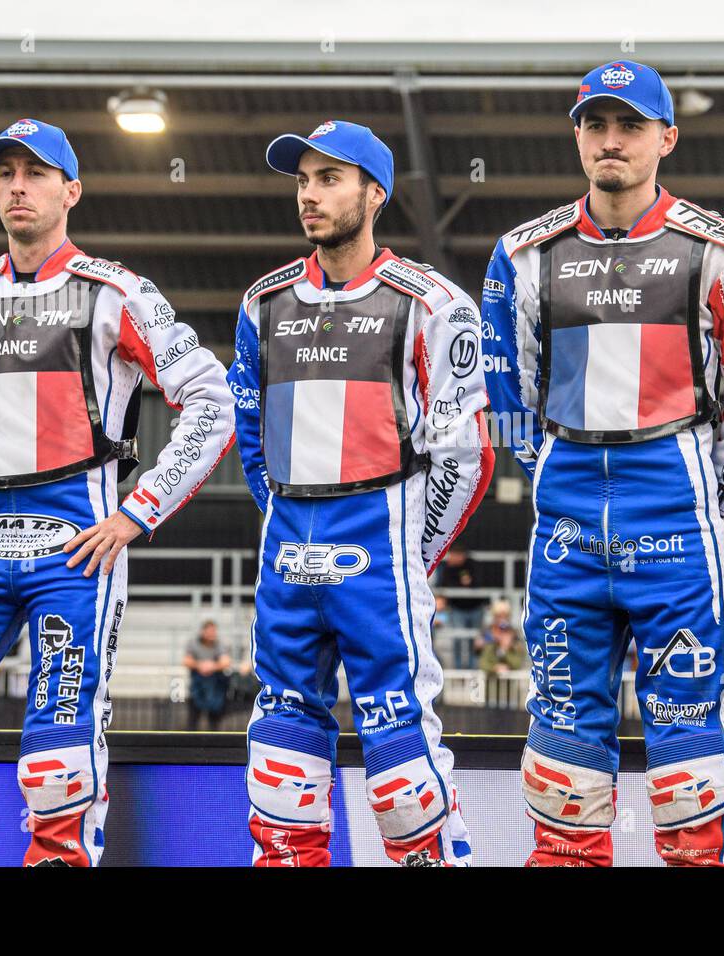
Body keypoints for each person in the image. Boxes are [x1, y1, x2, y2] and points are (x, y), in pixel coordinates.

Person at [0, 118, 235, 867]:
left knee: (59, 769)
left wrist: (138, 510)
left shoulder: (117, 291)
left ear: (72, 191)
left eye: (34, 173)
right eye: (4, 174)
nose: (17, 187)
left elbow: (213, 401)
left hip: (78, 555)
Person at [483, 61, 724, 866]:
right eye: (595, 124)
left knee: (691, 774)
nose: (611, 140)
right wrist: (558, 466)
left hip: (679, 521)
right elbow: (505, 392)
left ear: (667, 137)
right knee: (559, 767)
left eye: (629, 125)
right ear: (578, 135)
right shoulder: (520, 254)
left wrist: (699, 497)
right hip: (565, 529)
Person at [229, 119, 494, 866]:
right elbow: (250, 433)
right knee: (280, 777)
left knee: (405, 782)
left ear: (374, 193)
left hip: (380, 548)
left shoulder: (433, 302)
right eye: (304, 180)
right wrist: (284, 511)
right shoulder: (262, 302)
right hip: (287, 553)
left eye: (330, 179)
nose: (310, 195)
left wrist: (411, 549)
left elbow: (466, 451)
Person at [182, 620, 232, 731]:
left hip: (215, 687)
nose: (212, 634)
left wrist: (212, 666)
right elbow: (186, 661)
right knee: (193, 719)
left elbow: (226, 661)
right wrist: (200, 665)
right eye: (209, 631)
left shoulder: (219, 644)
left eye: (213, 631)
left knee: (214, 719)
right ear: (203, 631)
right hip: (198, 687)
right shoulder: (193, 643)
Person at [478, 601, 525, 677]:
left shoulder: (514, 635)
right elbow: (483, 663)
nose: (502, 619)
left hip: (510, 684)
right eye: (499, 616)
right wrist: (494, 668)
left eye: (505, 616)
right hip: (490, 683)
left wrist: (505, 648)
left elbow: (517, 663)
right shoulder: (487, 633)